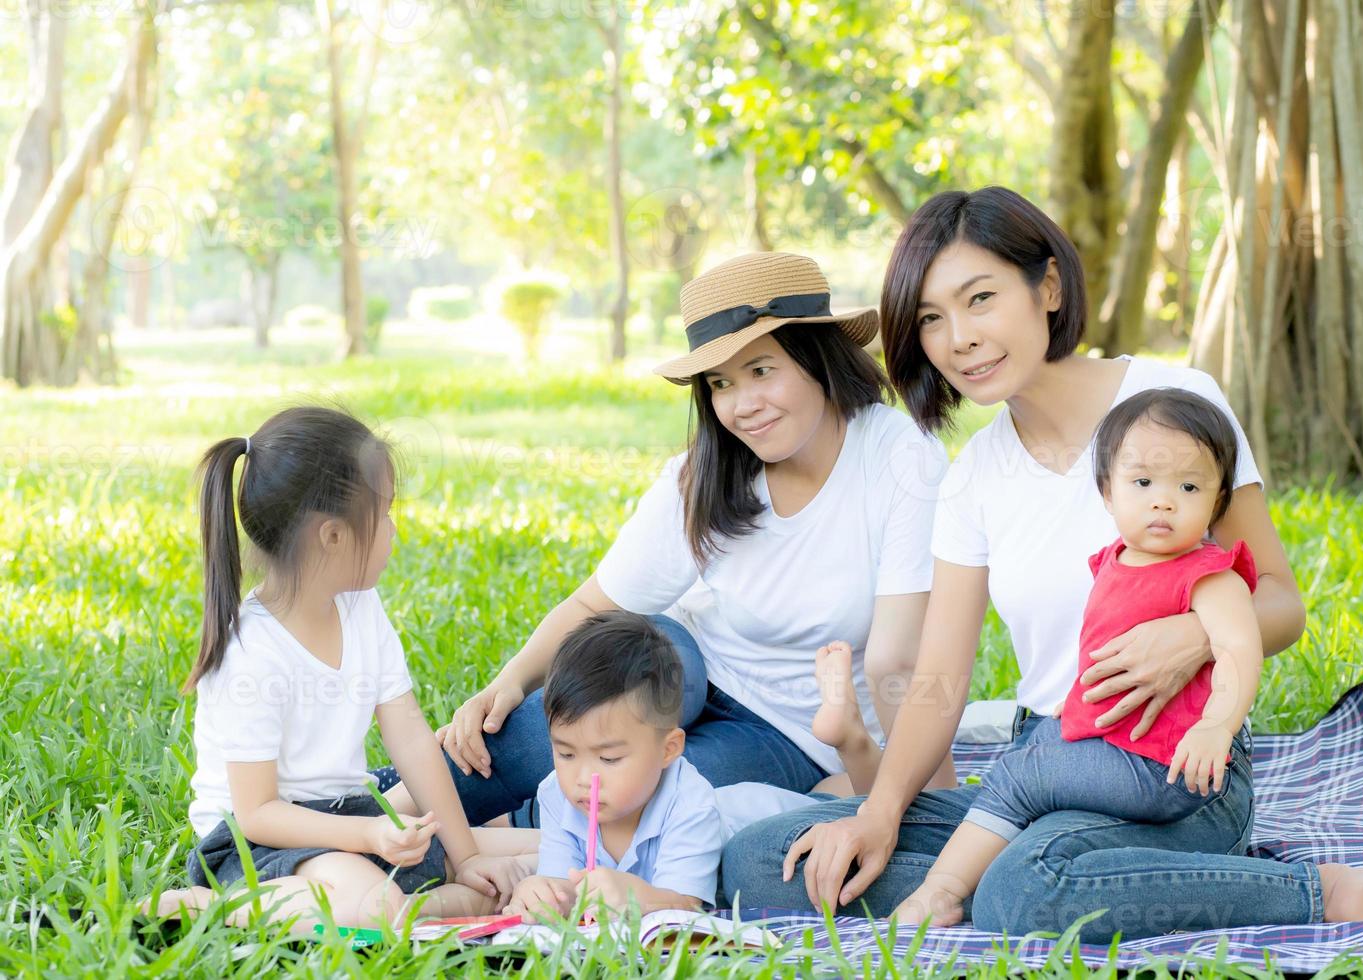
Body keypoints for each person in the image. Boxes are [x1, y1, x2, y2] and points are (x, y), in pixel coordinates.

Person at [722, 186, 1363, 941]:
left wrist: (1191, 637)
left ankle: (1303, 890)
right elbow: (940, 679)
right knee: (765, 859)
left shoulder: (1176, 402)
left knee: (1025, 894)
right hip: (1043, 767)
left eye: (980, 298)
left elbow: (1280, 601)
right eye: (930, 318)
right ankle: (1059, 879)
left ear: (1048, 287)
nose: (959, 337)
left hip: (1179, 771)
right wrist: (878, 812)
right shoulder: (974, 477)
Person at [384, 251, 955, 831]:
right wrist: (507, 681)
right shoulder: (708, 471)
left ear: (820, 358)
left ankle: (466, 836)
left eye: (762, 371)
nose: (742, 405)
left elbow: (899, 661)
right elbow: (594, 604)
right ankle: (385, 813)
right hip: (689, 666)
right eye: (720, 384)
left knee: (643, 805)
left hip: (790, 733)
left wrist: (924, 803)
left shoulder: (899, 458)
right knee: (612, 683)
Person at [145, 407, 535, 930]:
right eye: (385, 513)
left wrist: (466, 859)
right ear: (331, 536)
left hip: (348, 819)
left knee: (552, 852)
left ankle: (430, 905)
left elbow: (414, 741)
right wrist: (369, 838)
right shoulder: (253, 653)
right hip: (257, 842)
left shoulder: (360, 609)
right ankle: (209, 906)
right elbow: (259, 811)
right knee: (371, 909)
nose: (394, 530)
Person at [893, 388, 1271, 924]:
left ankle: (943, 890)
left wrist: (1216, 725)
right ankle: (1033, 877)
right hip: (1104, 744)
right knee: (1037, 759)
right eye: (1143, 483)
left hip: (1160, 764)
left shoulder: (1211, 576)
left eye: (1188, 486)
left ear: (1216, 503)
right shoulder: (1112, 561)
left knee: (1019, 777)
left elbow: (1238, 651)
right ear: (1107, 493)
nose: (1164, 500)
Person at [508, 610, 814, 919]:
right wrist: (540, 894)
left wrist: (641, 898)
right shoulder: (555, 794)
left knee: (829, 803)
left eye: (609, 758)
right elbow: (565, 889)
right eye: (566, 754)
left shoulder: (690, 803)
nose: (584, 778)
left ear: (669, 750)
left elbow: (686, 906)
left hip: (776, 815)